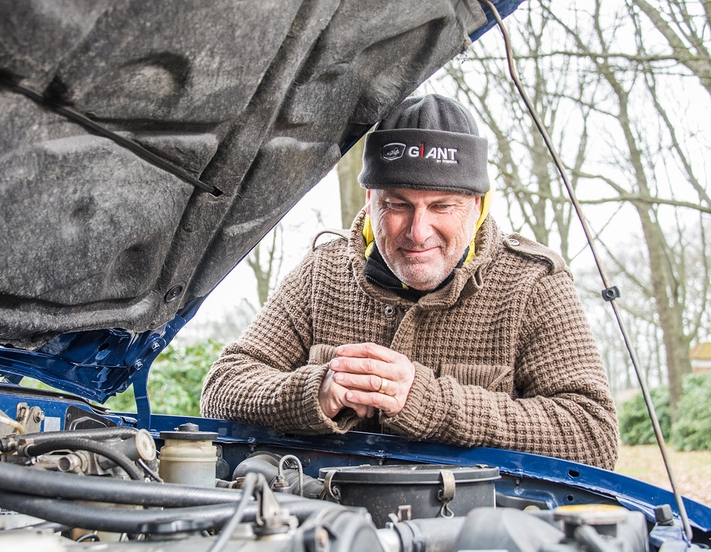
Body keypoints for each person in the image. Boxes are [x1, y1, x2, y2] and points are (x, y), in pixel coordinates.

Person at [200, 94, 618, 470]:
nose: (418, 232)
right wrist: (314, 391)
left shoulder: (532, 283)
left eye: (442, 206)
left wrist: (427, 399)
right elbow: (222, 388)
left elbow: (592, 433)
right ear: (370, 200)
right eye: (397, 205)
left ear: (477, 204)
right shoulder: (321, 273)